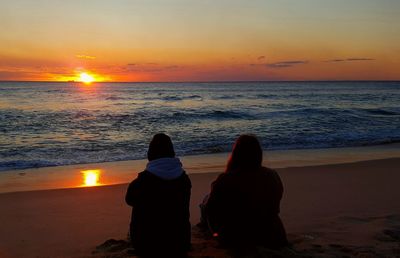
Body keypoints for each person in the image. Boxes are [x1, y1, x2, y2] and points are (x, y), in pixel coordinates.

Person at [200, 134, 288, 250]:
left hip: (239, 237)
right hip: (272, 233)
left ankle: (204, 228)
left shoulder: (226, 179)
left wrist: (217, 233)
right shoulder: (272, 175)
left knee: (205, 203)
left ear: (236, 154)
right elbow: (275, 206)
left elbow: (213, 212)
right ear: (258, 153)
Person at [125, 133, 191, 257]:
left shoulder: (141, 181)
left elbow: (129, 200)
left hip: (148, 246)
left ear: (150, 153)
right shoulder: (184, 179)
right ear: (172, 152)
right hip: (179, 243)